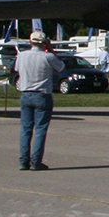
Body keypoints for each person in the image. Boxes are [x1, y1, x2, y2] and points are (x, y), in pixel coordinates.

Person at [13, 30, 65, 170]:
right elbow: (60, 67)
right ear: (44, 43)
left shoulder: (22, 56)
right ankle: (36, 161)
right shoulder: (47, 57)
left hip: (25, 93)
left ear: (30, 42)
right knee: (40, 130)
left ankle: (23, 161)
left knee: (25, 129)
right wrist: (51, 49)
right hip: (42, 94)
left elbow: (17, 69)